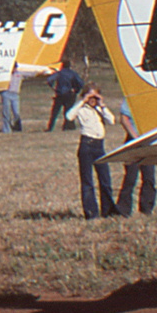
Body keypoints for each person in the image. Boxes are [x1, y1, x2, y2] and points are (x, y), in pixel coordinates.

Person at [66, 85, 115, 220]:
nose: (92, 100)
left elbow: (112, 120)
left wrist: (102, 105)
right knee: (87, 180)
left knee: (105, 179)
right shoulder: (81, 109)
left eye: (95, 96)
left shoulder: (99, 110)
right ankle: (91, 213)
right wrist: (82, 101)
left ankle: (107, 210)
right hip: (87, 145)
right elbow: (69, 116)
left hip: (100, 146)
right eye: (90, 97)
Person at [114, 100, 157, 216]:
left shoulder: (151, 99)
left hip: (148, 142)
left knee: (149, 177)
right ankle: (123, 210)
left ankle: (146, 209)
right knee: (130, 178)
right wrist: (135, 137)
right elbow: (124, 119)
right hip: (133, 142)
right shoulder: (130, 98)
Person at [45, 60, 84, 131]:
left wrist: (53, 87)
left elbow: (49, 80)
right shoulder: (73, 73)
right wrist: (76, 90)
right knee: (67, 111)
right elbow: (81, 83)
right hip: (69, 94)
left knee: (55, 112)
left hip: (59, 94)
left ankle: (50, 127)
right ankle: (66, 127)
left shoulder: (59, 73)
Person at [0, 64, 24, 133]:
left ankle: (17, 127)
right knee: (6, 112)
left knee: (16, 112)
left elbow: (32, 73)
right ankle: (6, 129)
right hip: (6, 93)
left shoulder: (20, 73)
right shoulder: (6, 74)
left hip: (15, 95)